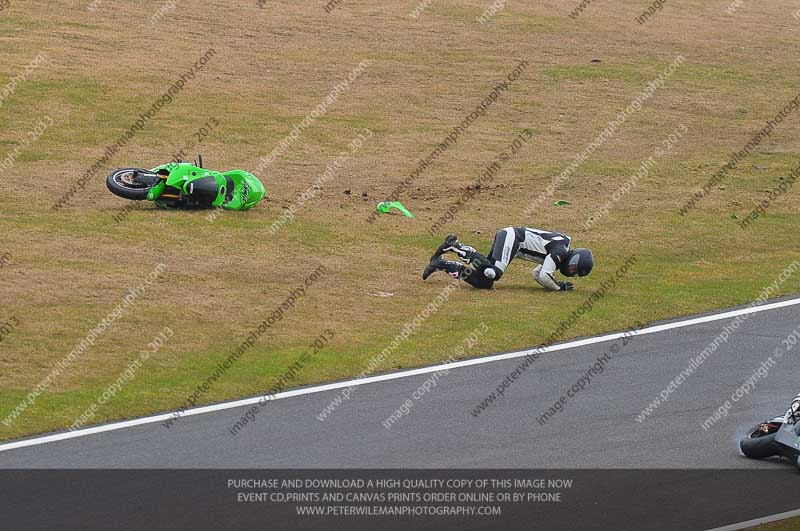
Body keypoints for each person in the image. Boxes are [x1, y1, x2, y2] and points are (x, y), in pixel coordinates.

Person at [422, 227, 593, 291]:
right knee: (492, 272)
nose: (571, 273)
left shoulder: (560, 252)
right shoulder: (560, 252)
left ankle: (443, 265)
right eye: (573, 270)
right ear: (574, 260)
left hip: (513, 242)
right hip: (514, 238)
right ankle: (455, 246)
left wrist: (553, 282)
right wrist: (558, 287)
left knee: (484, 282)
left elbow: (536, 273)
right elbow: (543, 276)